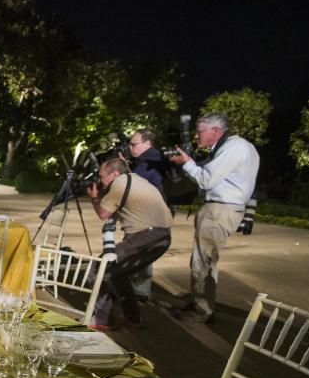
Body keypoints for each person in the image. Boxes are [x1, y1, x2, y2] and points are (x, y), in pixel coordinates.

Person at [169, 112, 259, 323]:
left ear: (215, 131)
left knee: (203, 262)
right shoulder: (240, 146)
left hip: (220, 210)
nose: (197, 136)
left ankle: (202, 309)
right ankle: (201, 301)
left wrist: (187, 162)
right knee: (206, 260)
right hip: (222, 209)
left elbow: (206, 179)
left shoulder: (233, 148)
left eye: (200, 131)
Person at [86, 158, 173, 329]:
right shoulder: (137, 179)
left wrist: (94, 198)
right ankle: (133, 318)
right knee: (117, 273)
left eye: (103, 176)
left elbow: (104, 213)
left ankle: (103, 319)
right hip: (162, 237)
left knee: (99, 268)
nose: (101, 180)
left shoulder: (119, 184)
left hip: (147, 236)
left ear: (115, 174)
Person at [123, 128, 168, 303]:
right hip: (150, 214)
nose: (130, 147)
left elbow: (136, 183)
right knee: (141, 252)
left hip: (146, 216)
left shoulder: (150, 161)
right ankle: (140, 290)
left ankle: (137, 291)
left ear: (147, 143)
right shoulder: (146, 159)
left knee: (136, 251)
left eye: (134, 144)